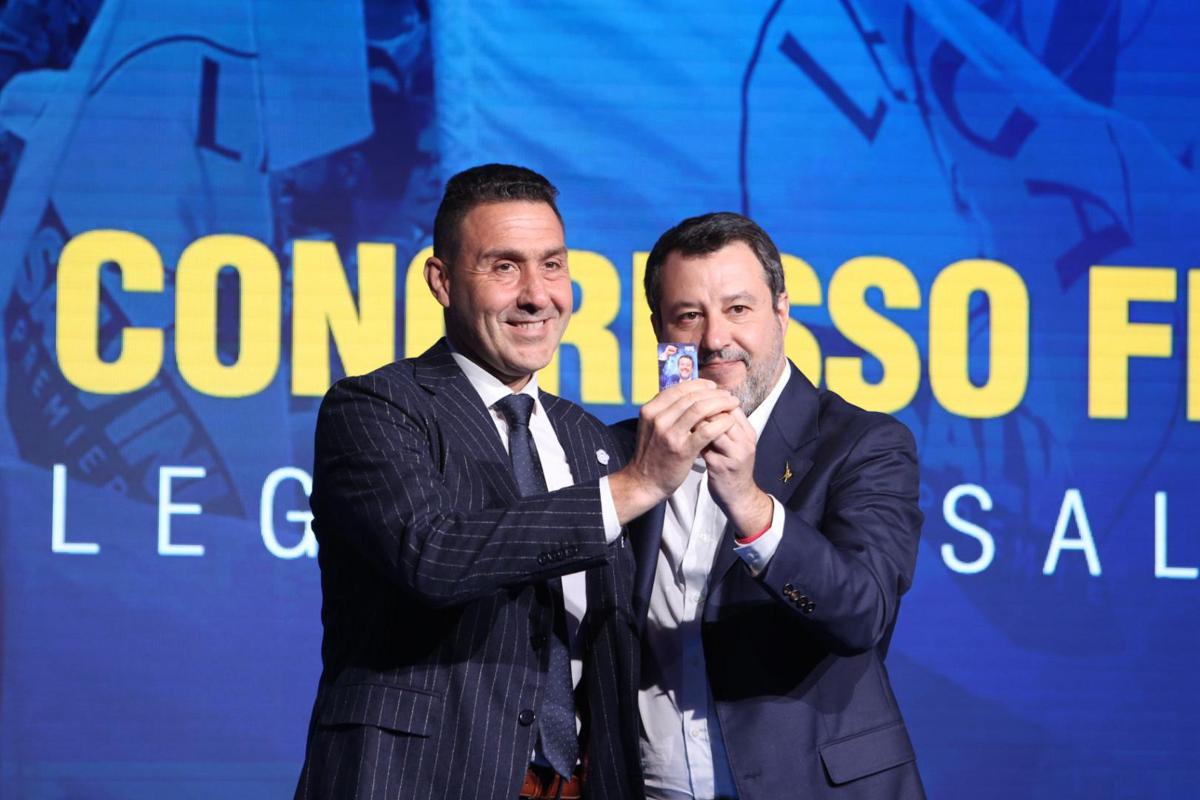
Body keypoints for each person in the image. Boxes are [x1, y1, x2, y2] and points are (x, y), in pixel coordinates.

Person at [295, 165, 741, 800]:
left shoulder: (589, 438)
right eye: (504, 267)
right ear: (441, 281)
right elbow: (434, 557)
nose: (536, 295)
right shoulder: (375, 409)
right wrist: (635, 485)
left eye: (552, 265)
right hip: (418, 780)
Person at [626, 212, 925, 799]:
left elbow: (862, 614)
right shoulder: (620, 457)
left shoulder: (864, 444)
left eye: (738, 309)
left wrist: (750, 504)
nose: (715, 339)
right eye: (689, 316)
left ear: (781, 312)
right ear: (660, 329)